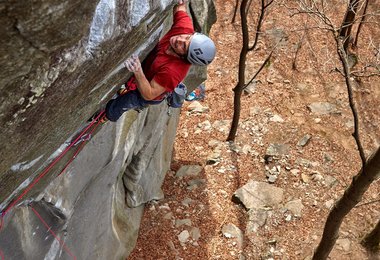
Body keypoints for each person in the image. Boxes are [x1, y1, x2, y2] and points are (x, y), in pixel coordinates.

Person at [103, 0, 216, 122]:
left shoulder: (172, 72)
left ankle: (106, 116)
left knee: (125, 102)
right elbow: (180, 8)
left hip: (150, 91)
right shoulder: (185, 30)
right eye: (188, 37)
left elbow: (149, 94)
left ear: (185, 58)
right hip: (149, 70)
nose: (180, 39)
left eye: (184, 47)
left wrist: (138, 72)